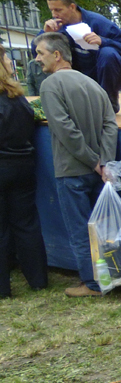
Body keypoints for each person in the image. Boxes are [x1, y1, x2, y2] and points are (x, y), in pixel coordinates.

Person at [35, 32, 117, 298]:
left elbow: (64, 130)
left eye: (40, 53)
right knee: (101, 230)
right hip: (99, 172)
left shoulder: (49, 85)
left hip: (72, 172)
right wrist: (103, 162)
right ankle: (111, 276)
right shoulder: (94, 85)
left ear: (57, 55)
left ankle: (92, 284)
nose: (36, 59)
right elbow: (109, 125)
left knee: (81, 231)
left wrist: (93, 162)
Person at [38, 0, 121, 113]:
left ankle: (108, 102)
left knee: (108, 53)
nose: (54, 15)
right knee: (52, 56)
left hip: (114, 74)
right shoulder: (57, 28)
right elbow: (38, 55)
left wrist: (103, 41)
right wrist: (45, 34)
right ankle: (65, 101)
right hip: (83, 76)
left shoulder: (98, 22)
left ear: (72, 7)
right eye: (51, 10)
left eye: (58, 10)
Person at [1, 42, 47, 298]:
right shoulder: (18, 99)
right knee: (26, 224)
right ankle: (38, 279)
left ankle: (3, 288)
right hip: (22, 165)